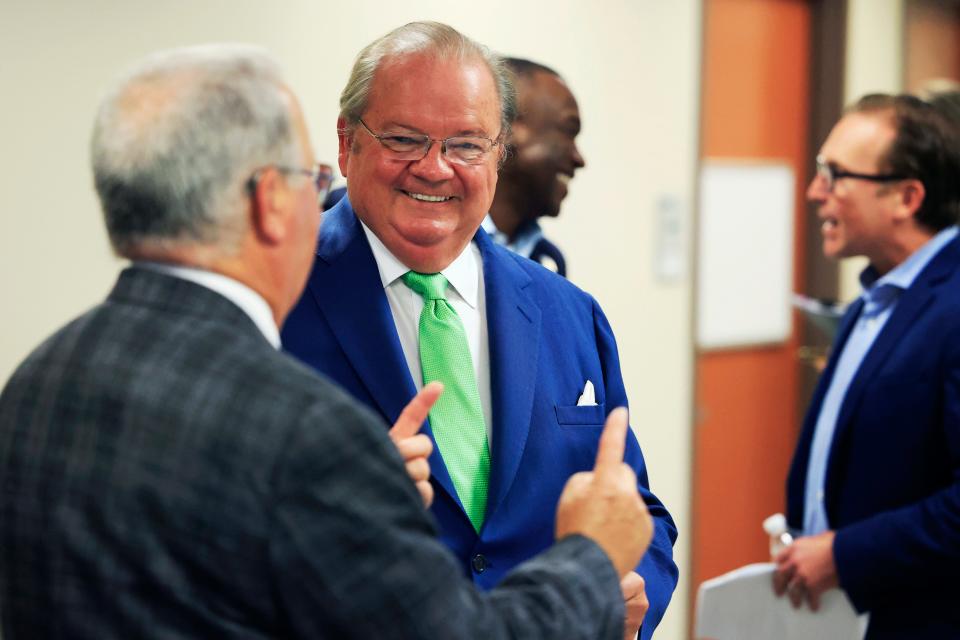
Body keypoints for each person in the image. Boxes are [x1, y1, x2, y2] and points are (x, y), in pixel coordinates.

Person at [0, 44, 657, 639]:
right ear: (271, 201)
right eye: (310, 182)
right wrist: (592, 566)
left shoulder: (36, 380)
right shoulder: (305, 426)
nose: (434, 167)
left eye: (465, 144)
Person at [281, 22, 678, 640]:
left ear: (498, 154)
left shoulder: (569, 313)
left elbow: (634, 506)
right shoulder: (276, 300)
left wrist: (631, 594)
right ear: (345, 142)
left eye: (466, 145)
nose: (435, 169)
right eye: (404, 139)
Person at [774, 93, 960, 638]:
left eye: (834, 175)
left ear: (906, 196)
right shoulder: (871, 303)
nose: (814, 192)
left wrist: (845, 554)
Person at [481, 57, 585, 277]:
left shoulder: (549, 263)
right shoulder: (439, 247)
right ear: (505, 127)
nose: (579, 159)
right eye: (568, 131)